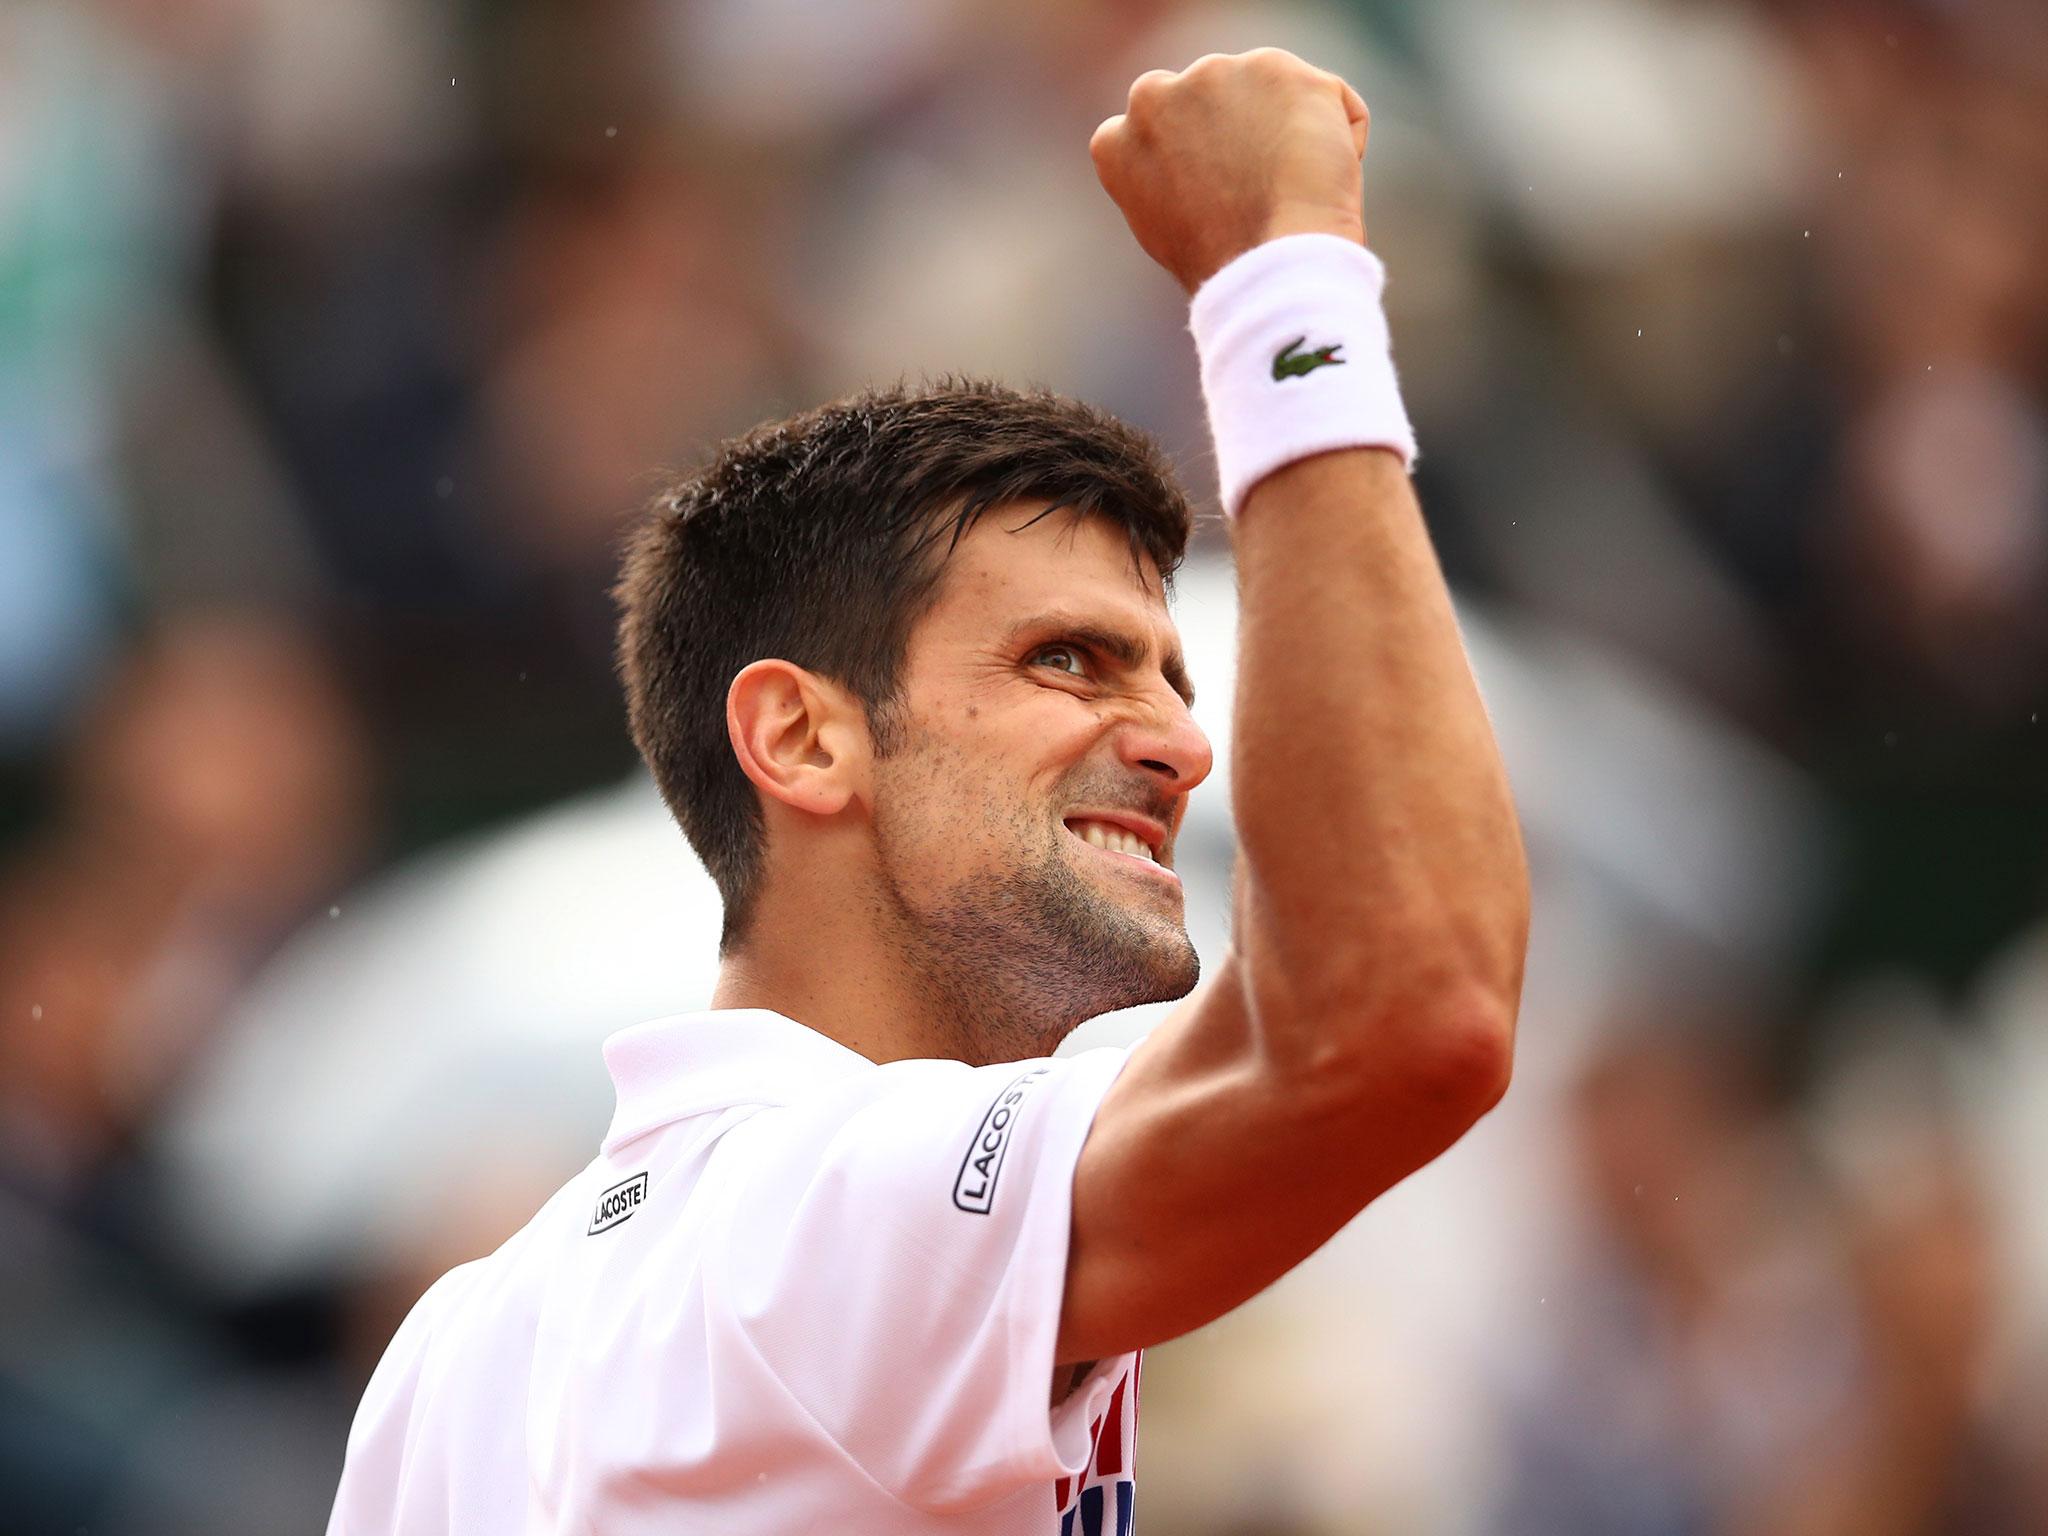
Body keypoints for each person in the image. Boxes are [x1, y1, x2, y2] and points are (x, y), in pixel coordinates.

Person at [326, 47, 1528, 1536]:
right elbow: (1409, 1019)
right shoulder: (836, 1208)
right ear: (802, 740)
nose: (1179, 746)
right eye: (1069, 662)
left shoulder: (455, 1352)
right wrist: (1285, 277)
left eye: (1174, 679)